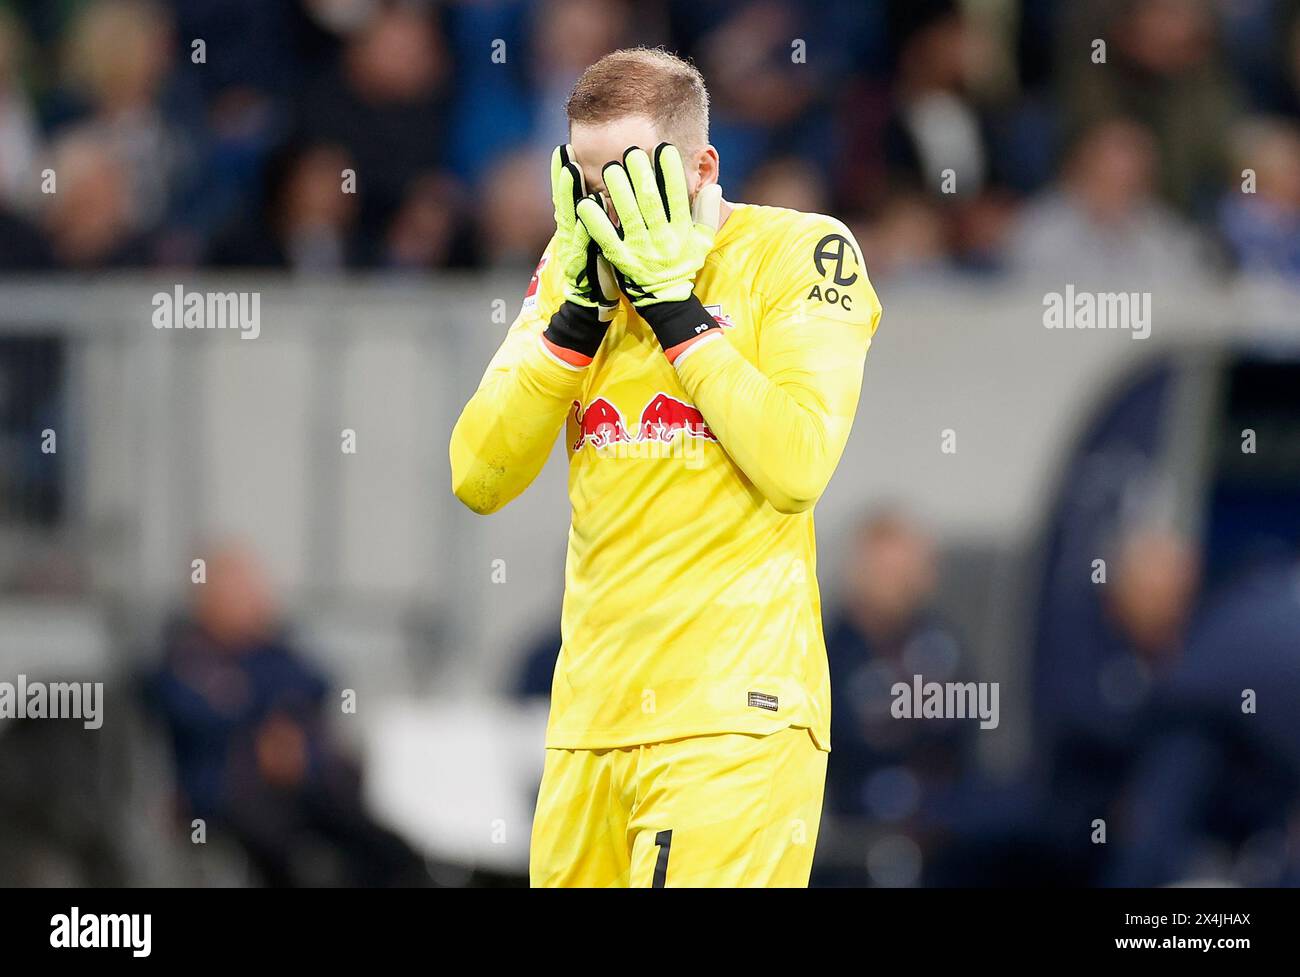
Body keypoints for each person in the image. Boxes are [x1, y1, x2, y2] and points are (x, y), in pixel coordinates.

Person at [450, 47, 882, 887]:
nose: (607, 202)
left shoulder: (800, 254)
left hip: (735, 716)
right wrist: (573, 324)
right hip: (587, 724)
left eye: (632, 175)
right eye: (587, 177)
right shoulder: (568, 276)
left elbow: (797, 463)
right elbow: (479, 475)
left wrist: (676, 313)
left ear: (702, 165)